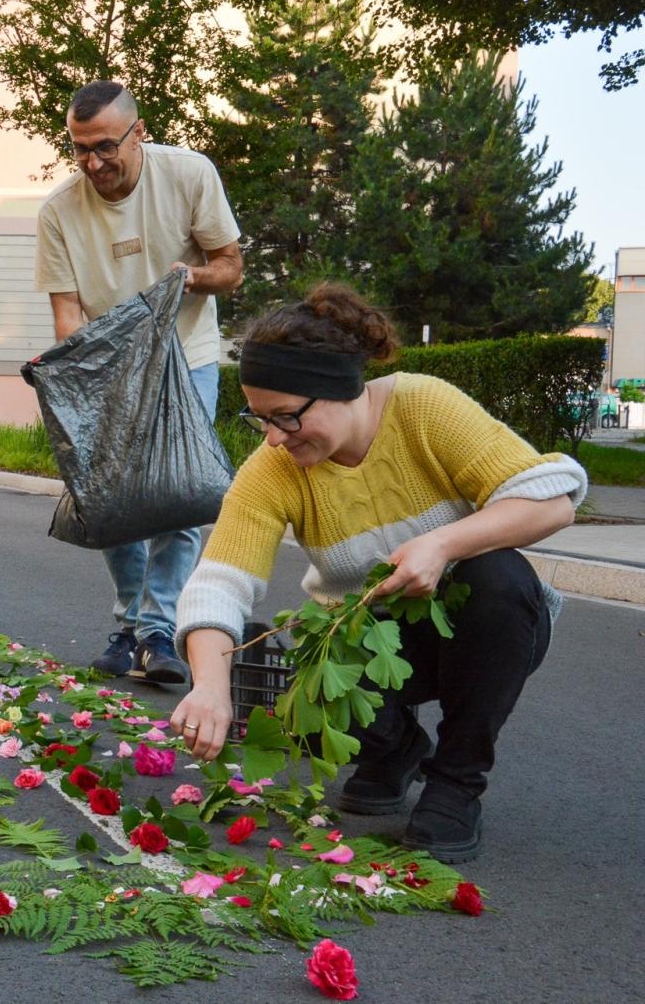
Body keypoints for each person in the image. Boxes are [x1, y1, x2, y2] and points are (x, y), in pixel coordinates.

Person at [169, 284, 585, 862]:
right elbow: (219, 579)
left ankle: (456, 783)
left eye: (286, 417)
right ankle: (395, 747)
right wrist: (210, 687)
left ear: (342, 389)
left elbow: (553, 497)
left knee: (499, 575)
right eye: (259, 418)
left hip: (480, 629)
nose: (272, 437)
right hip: (366, 642)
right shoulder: (274, 468)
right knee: (297, 687)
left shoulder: (425, 407)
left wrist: (442, 545)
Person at [35, 80, 245, 684]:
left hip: (187, 355)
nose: (92, 162)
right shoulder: (59, 211)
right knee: (110, 497)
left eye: (104, 146)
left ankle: (159, 628)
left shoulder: (188, 174)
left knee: (179, 488)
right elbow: (68, 314)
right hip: (107, 367)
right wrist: (67, 379)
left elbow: (230, 267)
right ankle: (130, 625)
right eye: (79, 149)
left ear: (137, 133)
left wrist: (193, 276)